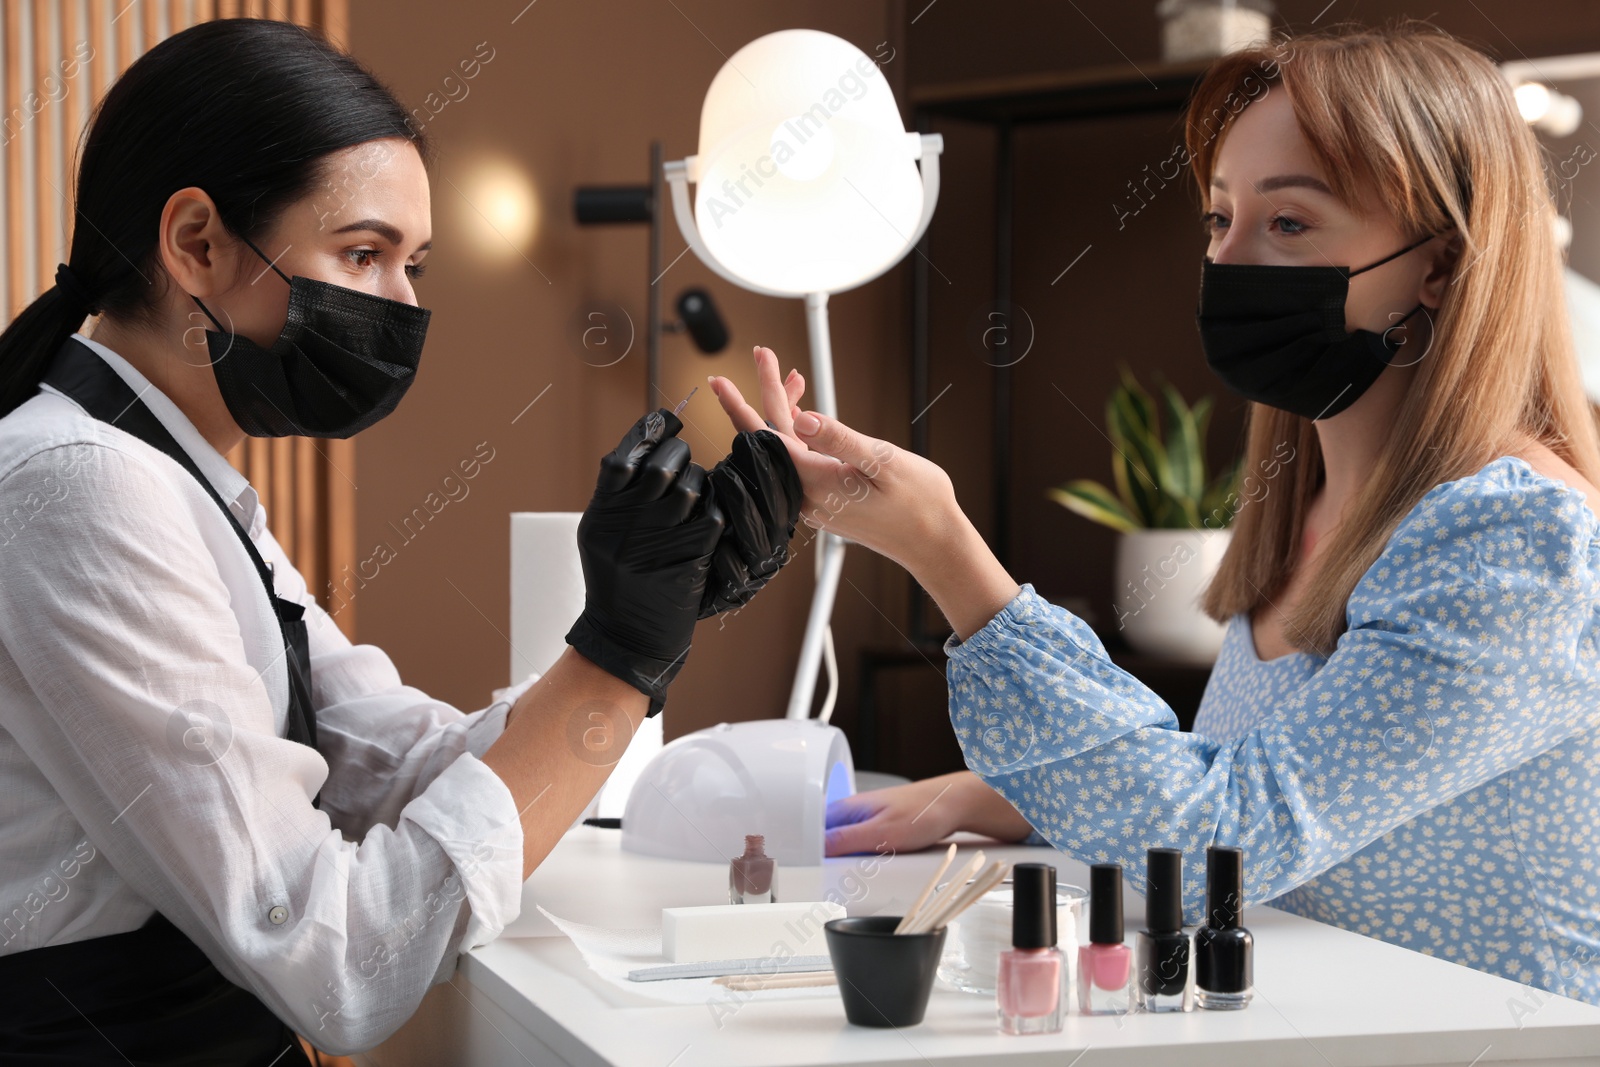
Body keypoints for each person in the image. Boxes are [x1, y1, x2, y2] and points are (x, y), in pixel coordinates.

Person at [712, 21, 1600, 1005]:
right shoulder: (1311, 508)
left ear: (1436, 265)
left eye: (1290, 224)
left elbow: (1229, 839)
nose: (1232, 260)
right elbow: (1282, 782)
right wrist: (1015, 793)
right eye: (1220, 221)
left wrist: (939, 545)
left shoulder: (1515, 542)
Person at [0, 19, 798, 1063]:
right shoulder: (82, 485)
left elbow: (403, 762)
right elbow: (341, 962)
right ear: (196, 242)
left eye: (415, 263)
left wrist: (658, 613)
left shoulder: (175, 476)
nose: (406, 306)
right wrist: (619, 656)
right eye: (363, 252)